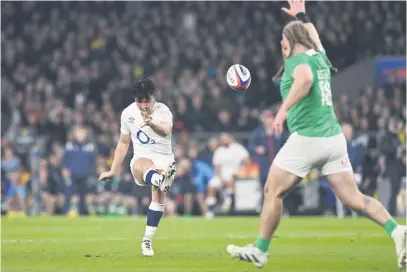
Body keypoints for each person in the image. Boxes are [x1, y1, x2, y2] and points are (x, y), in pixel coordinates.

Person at [226, 1, 406, 269]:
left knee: (272, 190)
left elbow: (306, 79)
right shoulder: (319, 55)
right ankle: (397, 231)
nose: (280, 46)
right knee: (353, 199)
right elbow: (314, 38)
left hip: (308, 138)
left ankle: (261, 250)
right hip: (333, 139)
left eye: (283, 40)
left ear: (291, 42)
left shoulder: (298, 62)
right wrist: (302, 15)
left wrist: (282, 111)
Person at [99, 75, 176, 257]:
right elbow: (124, 142)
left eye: (146, 100)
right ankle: (159, 178)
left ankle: (147, 240)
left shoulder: (163, 111)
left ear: (154, 97)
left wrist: (152, 123)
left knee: (157, 195)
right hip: (142, 157)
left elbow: (166, 131)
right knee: (142, 164)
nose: (143, 105)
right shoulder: (127, 114)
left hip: (164, 158)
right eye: (139, 101)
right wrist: (113, 169)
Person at [206, 133, 250, 218]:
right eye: (222, 139)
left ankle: (228, 200)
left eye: (225, 138)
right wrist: (220, 178)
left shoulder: (238, 148)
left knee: (231, 177)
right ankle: (210, 210)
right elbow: (217, 167)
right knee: (212, 184)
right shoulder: (219, 151)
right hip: (221, 176)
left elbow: (247, 161)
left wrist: (241, 167)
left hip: (236, 174)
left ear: (231, 138)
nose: (224, 140)